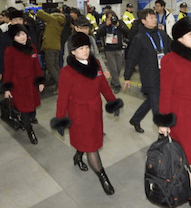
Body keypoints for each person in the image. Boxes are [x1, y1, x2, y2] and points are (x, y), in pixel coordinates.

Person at [50, 32, 123, 195]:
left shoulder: (95, 63)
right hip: (79, 115)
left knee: (91, 141)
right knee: (92, 146)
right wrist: (60, 118)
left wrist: (112, 101)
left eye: (86, 47)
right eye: (80, 48)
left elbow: (104, 86)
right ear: (73, 51)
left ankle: (77, 157)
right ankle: (103, 176)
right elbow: (62, 98)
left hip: (95, 112)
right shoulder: (67, 72)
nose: (85, 50)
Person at [154, 17, 191, 189]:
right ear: (179, 38)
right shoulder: (169, 60)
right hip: (178, 115)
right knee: (177, 154)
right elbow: (166, 91)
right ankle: (175, 187)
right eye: (190, 34)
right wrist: (164, 122)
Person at [124, 8, 171, 133]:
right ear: (143, 21)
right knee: (158, 108)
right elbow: (132, 58)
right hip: (149, 77)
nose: (154, 19)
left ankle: (135, 119)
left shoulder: (162, 34)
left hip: (164, 75)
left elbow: (172, 50)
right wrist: (127, 76)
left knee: (150, 101)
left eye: (154, 17)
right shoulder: (139, 38)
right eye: (151, 18)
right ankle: (163, 138)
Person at [3, 24, 45, 144]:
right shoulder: (10, 50)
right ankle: (29, 130)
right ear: (13, 38)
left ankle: (26, 122)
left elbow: (37, 64)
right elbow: (8, 70)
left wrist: (40, 81)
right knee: (25, 108)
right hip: (18, 85)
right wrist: (7, 88)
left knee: (31, 107)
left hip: (31, 83)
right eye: (18, 35)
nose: (22, 37)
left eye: (23, 34)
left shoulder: (31, 47)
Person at [97, 10, 129, 94]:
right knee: (113, 68)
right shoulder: (104, 25)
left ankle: (113, 81)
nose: (111, 19)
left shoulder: (119, 23)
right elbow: (98, 34)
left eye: (112, 17)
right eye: (109, 18)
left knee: (118, 68)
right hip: (109, 50)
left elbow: (127, 32)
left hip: (119, 48)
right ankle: (116, 84)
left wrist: (118, 25)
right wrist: (105, 25)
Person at [37, 8, 65, 94]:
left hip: (50, 46)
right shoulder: (60, 21)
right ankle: (62, 84)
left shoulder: (53, 19)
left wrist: (51, 15)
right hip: (56, 46)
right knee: (56, 66)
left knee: (50, 66)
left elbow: (39, 13)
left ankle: (61, 86)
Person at [0, 9, 24, 81]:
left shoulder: (29, 33)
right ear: (11, 21)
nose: (18, 22)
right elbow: (1, 53)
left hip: (27, 69)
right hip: (12, 69)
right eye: (15, 20)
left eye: (20, 19)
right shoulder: (5, 36)